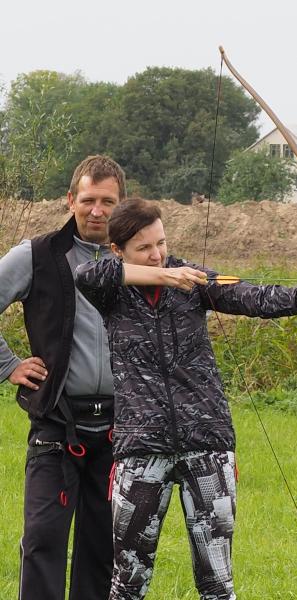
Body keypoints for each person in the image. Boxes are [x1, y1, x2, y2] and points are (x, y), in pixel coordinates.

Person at [75, 198, 297, 600]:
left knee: (217, 585)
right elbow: (87, 273)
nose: (157, 254)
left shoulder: (193, 280)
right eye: (144, 248)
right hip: (140, 447)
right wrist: (162, 277)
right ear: (118, 251)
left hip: (207, 442)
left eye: (161, 243)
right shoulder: (111, 292)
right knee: (128, 584)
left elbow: (252, 296)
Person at [0, 157, 203, 600]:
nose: (97, 211)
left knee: (103, 548)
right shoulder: (36, 255)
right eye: (88, 199)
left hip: (121, 429)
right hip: (57, 425)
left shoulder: (144, 258)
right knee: (43, 539)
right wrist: (8, 365)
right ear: (70, 200)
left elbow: (229, 290)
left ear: (121, 204)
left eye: (107, 202)